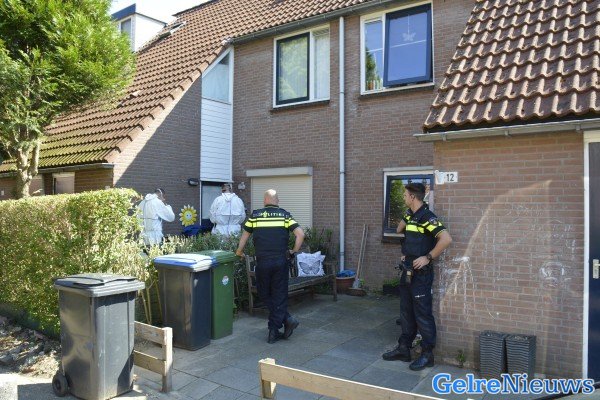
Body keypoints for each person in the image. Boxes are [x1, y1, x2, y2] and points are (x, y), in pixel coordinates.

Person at [382, 183, 452, 371]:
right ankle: (404, 348)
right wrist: (408, 253)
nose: (403, 197)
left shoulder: (427, 217)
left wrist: (427, 257)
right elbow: (399, 230)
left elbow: (446, 239)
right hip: (407, 271)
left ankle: (427, 355)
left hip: (421, 275)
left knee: (422, 314)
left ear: (413, 197)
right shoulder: (410, 215)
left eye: (405, 195)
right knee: (406, 312)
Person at [235, 189, 304, 344]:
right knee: (279, 296)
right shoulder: (285, 215)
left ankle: (275, 331)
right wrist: (293, 251)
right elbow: (300, 234)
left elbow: (244, 236)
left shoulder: (255, 216)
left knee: (264, 294)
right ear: (276, 201)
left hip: (263, 262)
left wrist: (239, 252)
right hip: (280, 261)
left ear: (265, 200)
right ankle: (284, 321)